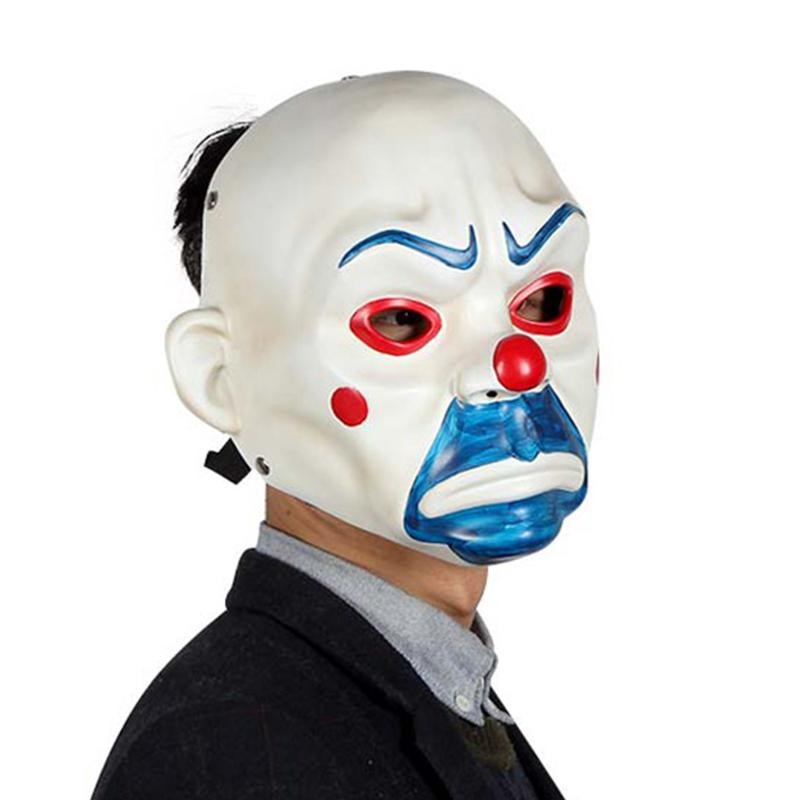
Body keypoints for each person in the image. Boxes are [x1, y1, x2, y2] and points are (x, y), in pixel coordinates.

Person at [91, 71, 599, 800]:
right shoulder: (236, 748)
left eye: (544, 301)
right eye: (403, 319)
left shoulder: (441, 690)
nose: (517, 366)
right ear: (221, 378)